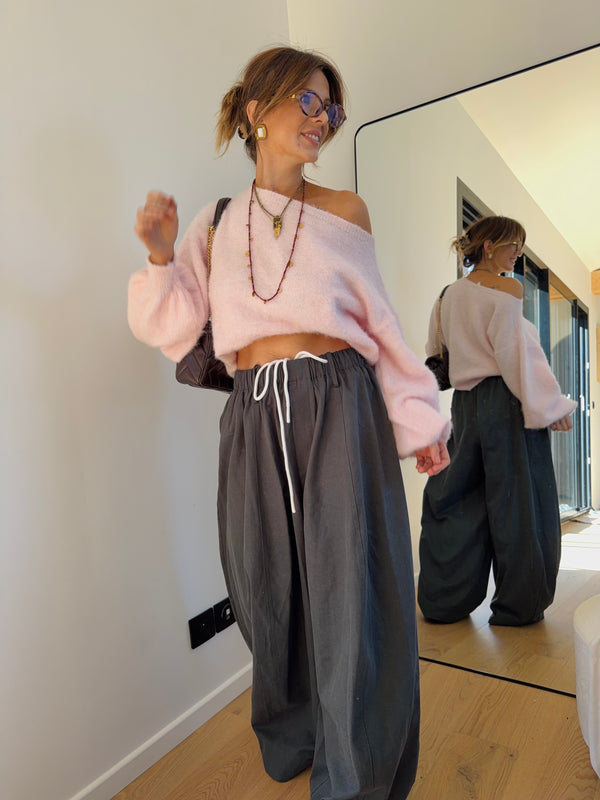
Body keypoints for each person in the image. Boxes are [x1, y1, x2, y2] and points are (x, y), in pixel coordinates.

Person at [128, 46, 450, 800]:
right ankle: (292, 733)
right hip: (252, 409)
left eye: (329, 108)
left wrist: (419, 420)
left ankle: (356, 775)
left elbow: (382, 326)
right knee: (264, 585)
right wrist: (160, 258)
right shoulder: (215, 223)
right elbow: (174, 326)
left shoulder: (344, 211)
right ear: (257, 111)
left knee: (351, 585)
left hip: (338, 398)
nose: (322, 119)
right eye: (308, 100)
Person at [418, 215, 577, 628]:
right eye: (513, 245)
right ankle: (517, 607)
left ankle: (443, 602)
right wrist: (551, 406)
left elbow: (435, 353)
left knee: (455, 501)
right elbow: (515, 355)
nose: (518, 254)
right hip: (507, 404)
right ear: (489, 245)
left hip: (464, 405)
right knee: (520, 504)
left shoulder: (447, 296)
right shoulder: (508, 287)